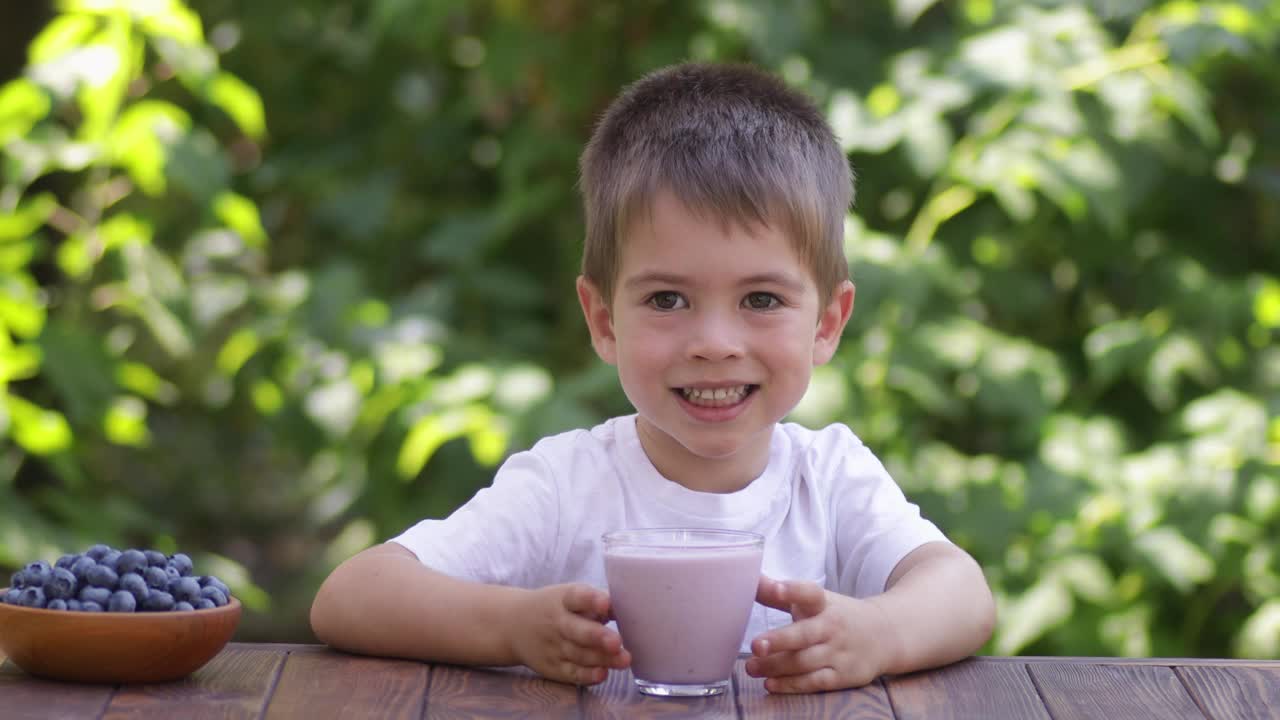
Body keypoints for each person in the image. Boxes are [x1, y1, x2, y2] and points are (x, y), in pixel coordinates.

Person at [311, 61, 995, 694]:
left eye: (761, 300)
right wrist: (511, 625)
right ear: (604, 321)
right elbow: (351, 596)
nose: (715, 345)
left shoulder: (830, 479)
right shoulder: (566, 486)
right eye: (667, 300)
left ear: (826, 323)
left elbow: (962, 593)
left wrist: (879, 632)